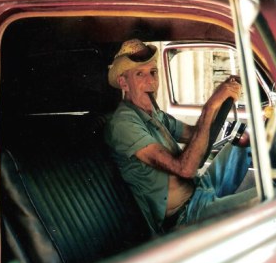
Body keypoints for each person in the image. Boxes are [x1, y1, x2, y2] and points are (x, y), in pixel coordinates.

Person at [105, 39, 257, 235]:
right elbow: (184, 169)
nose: (151, 82)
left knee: (249, 140)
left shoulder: (155, 115)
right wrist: (211, 105)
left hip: (199, 190)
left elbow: (197, 135)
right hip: (186, 217)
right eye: (139, 74)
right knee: (273, 199)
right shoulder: (123, 124)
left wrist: (224, 98)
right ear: (123, 82)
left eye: (153, 72)